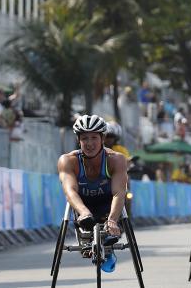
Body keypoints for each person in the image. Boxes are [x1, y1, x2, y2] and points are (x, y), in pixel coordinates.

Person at [57, 114, 128, 273]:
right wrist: (83, 212)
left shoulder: (116, 159)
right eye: (85, 138)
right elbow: (70, 191)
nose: (89, 143)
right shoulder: (68, 161)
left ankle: (108, 247)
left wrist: (113, 220)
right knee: (86, 230)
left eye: (94, 138)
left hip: (107, 203)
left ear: (102, 138)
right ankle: (88, 243)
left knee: (110, 227)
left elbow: (119, 193)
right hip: (82, 204)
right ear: (78, 140)